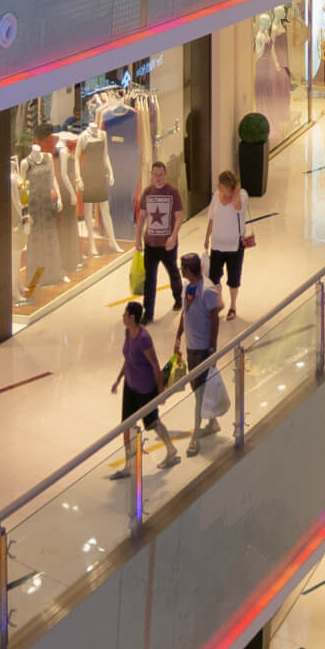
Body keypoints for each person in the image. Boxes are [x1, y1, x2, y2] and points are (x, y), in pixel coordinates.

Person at [109, 301, 180, 475]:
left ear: (132, 317)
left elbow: (155, 365)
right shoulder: (128, 332)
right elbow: (128, 359)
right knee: (126, 425)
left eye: (125, 314)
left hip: (145, 388)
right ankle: (129, 465)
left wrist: (161, 391)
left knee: (152, 423)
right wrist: (119, 379)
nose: (123, 317)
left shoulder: (144, 338)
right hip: (130, 385)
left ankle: (171, 450)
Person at [173, 252, 224, 456]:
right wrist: (178, 337)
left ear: (189, 269)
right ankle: (212, 422)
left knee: (199, 395)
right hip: (191, 346)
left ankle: (195, 439)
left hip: (203, 349)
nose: (180, 270)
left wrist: (212, 350)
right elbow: (185, 313)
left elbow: (215, 321)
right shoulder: (188, 287)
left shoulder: (208, 291)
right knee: (196, 389)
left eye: (182, 267)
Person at [136, 160, 183, 323]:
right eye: (155, 174)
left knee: (173, 272)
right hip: (150, 244)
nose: (158, 178)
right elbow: (141, 218)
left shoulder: (173, 192)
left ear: (166, 175)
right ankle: (148, 313)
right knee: (150, 279)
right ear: (151, 175)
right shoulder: (147, 192)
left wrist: (173, 236)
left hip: (168, 244)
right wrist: (137, 240)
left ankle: (178, 296)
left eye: (161, 174)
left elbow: (179, 217)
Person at [204, 169, 249, 320]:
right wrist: (206, 238)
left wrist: (235, 191)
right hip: (217, 244)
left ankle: (233, 306)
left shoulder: (241, 195)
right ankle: (219, 301)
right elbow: (211, 218)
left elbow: (237, 207)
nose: (223, 192)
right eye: (221, 188)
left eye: (226, 189)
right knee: (214, 276)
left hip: (234, 245)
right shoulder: (216, 197)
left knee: (234, 278)